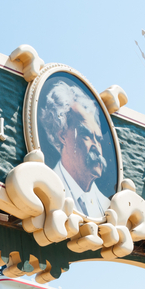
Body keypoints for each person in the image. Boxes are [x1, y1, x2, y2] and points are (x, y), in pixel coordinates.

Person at [39, 79, 112, 220]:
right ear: (62, 135)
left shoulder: (106, 205)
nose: (96, 146)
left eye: (98, 138)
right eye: (86, 135)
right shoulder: (46, 190)